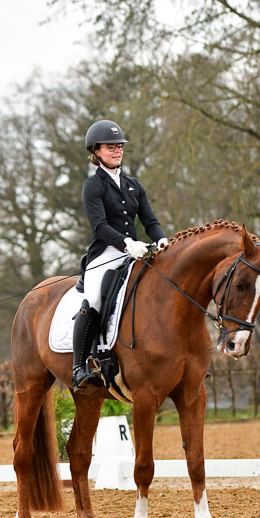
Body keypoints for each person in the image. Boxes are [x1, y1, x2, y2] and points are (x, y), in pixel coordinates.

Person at [72, 119, 169, 390]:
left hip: (134, 251)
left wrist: (161, 240)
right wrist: (127, 243)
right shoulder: (93, 186)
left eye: (119, 146)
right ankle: (80, 366)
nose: (116, 150)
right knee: (92, 299)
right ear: (96, 152)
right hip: (105, 253)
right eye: (110, 147)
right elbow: (100, 226)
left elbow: (150, 220)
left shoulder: (133, 185)